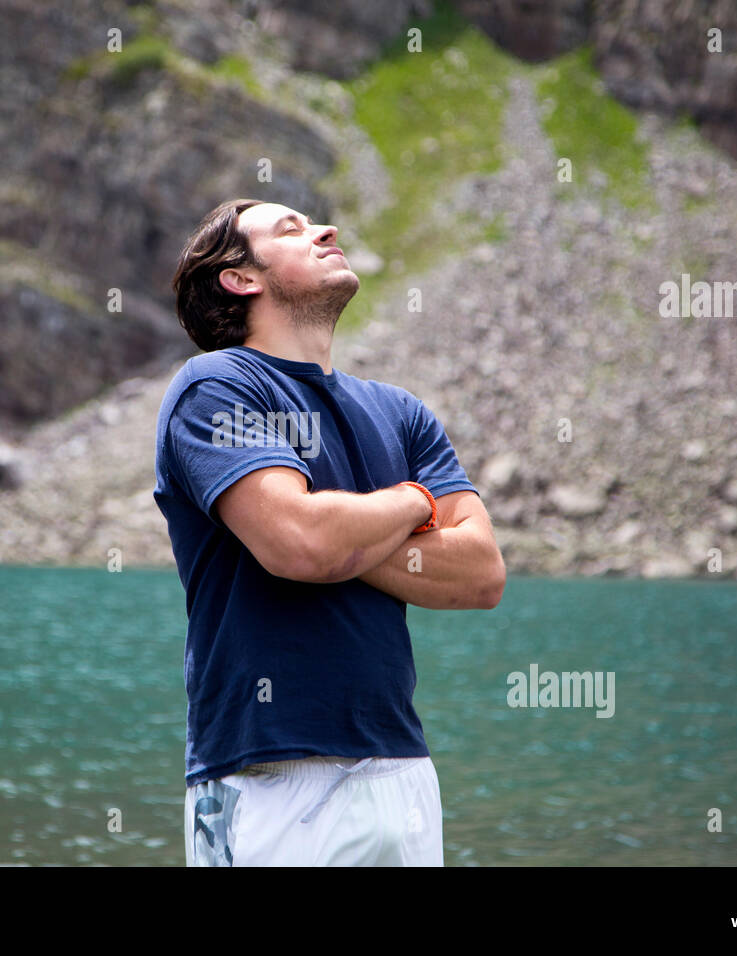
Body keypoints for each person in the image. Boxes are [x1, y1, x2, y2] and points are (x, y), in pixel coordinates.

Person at [154, 197, 505, 866]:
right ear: (239, 276)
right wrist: (412, 500)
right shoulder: (214, 388)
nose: (326, 230)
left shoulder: (400, 412)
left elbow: (482, 573)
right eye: (291, 228)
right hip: (270, 777)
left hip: (403, 771)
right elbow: (300, 544)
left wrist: (336, 534)